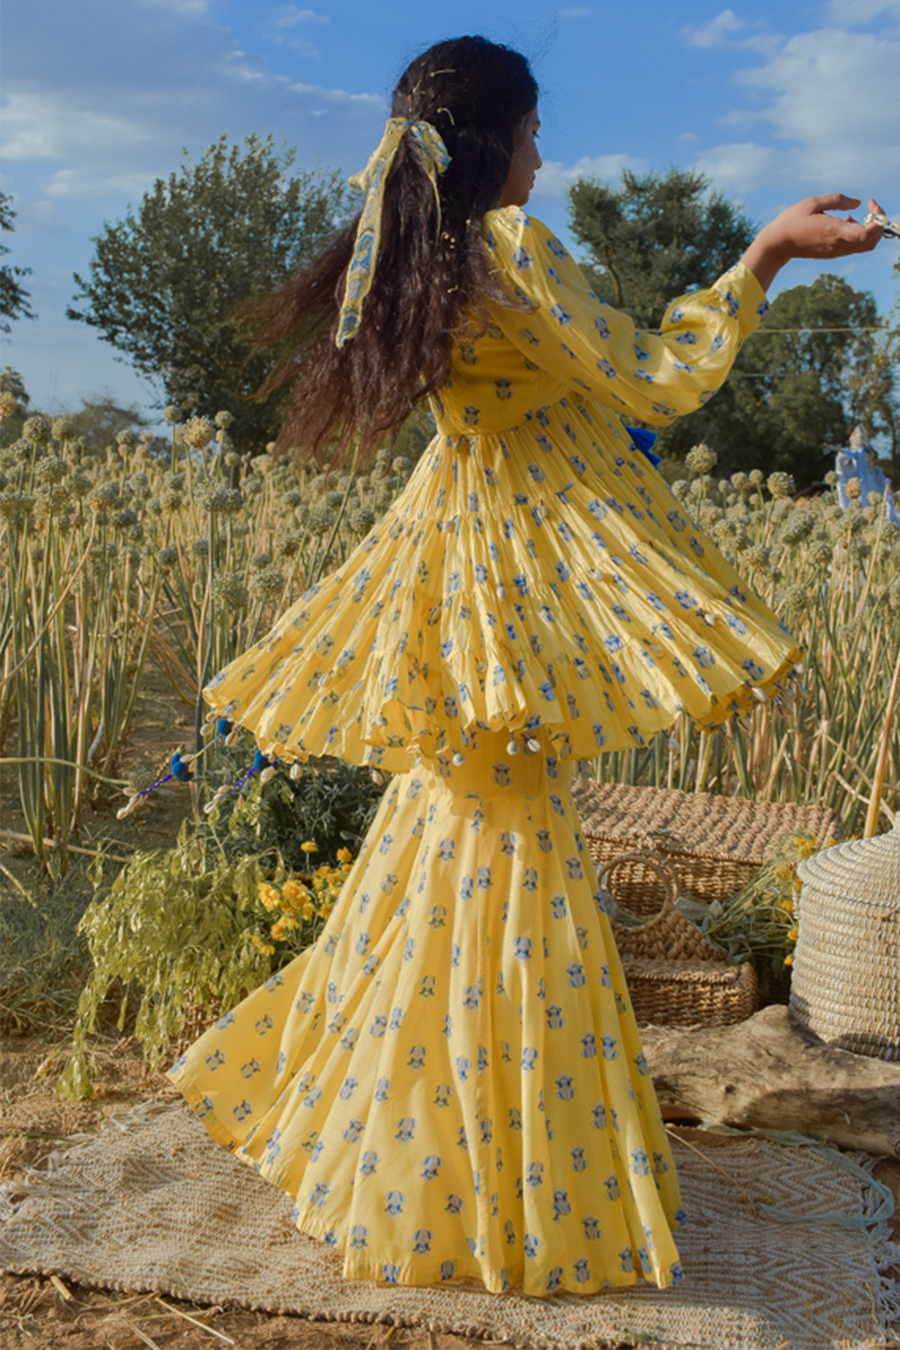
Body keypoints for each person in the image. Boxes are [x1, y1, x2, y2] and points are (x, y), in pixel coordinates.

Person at [168, 35, 885, 1297]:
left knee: (443, 847)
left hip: (454, 577)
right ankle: (499, 1179)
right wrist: (764, 257)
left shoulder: (415, 263)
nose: (546, 158)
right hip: (516, 592)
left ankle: (401, 1154)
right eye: (538, 135)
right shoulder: (510, 253)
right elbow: (655, 376)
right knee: (506, 863)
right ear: (495, 145)